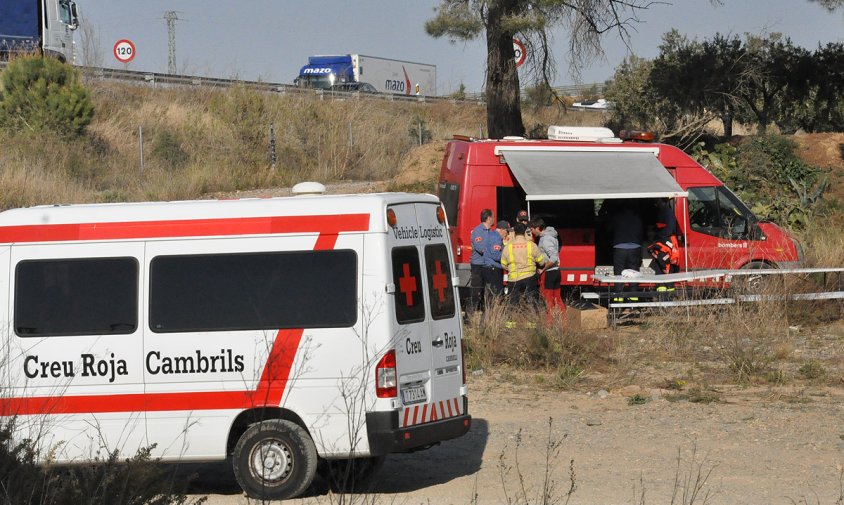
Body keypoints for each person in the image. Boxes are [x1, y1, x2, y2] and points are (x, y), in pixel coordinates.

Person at [501, 221, 550, 307]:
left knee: (512, 305)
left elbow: (503, 265)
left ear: (514, 233)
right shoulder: (532, 245)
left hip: (514, 278)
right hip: (530, 278)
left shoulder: (508, 247)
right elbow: (541, 262)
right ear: (524, 233)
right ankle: (530, 320)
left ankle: (512, 320)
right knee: (531, 304)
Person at [529, 217, 565, 316]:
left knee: (549, 300)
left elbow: (553, 257)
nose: (532, 233)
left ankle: (549, 326)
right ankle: (562, 323)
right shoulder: (551, 235)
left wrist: (542, 269)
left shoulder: (545, 239)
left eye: (532, 230)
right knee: (557, 299)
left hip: (549, 273)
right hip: (556, 271)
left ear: (537, 228)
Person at [610, 200, 644, 296]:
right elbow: (641, 233)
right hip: (634, 248)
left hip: (619, 248)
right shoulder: (637, 218)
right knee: (633, 273)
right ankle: (633, 298)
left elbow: (608, 228)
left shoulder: (617, 217)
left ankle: (618, 298)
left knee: (618, 273)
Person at [648, 198, 680, 291]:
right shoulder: (664, 212)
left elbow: (668, 230)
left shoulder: (667, 213)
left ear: (663, 201)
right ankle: (667, 291)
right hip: (664, 244)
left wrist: (656, 234)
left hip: (665, 244)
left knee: (661, 264)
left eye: (658, 201)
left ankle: (664, 292)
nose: (656, 203)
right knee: (663, 265)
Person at [469, 208, 495, 311]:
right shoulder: (478, 231)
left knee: (488, 293)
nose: (494, 219)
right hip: (478, 266)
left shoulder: (491, 232)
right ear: (488, 218)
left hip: (488, 266)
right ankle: (470, 318)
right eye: (493, 217)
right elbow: (481, 249)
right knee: (476, 293)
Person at [482, 220, 511, 301]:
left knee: (490, 295)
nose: (507, 234)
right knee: (496, 295)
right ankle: (494, 312)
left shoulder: (491, 234)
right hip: (493, 270)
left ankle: (490, 312)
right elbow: (495, 255)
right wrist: (506, 258)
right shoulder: (497, 238)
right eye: (507, 231)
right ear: (501, 230)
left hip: (488, 268)